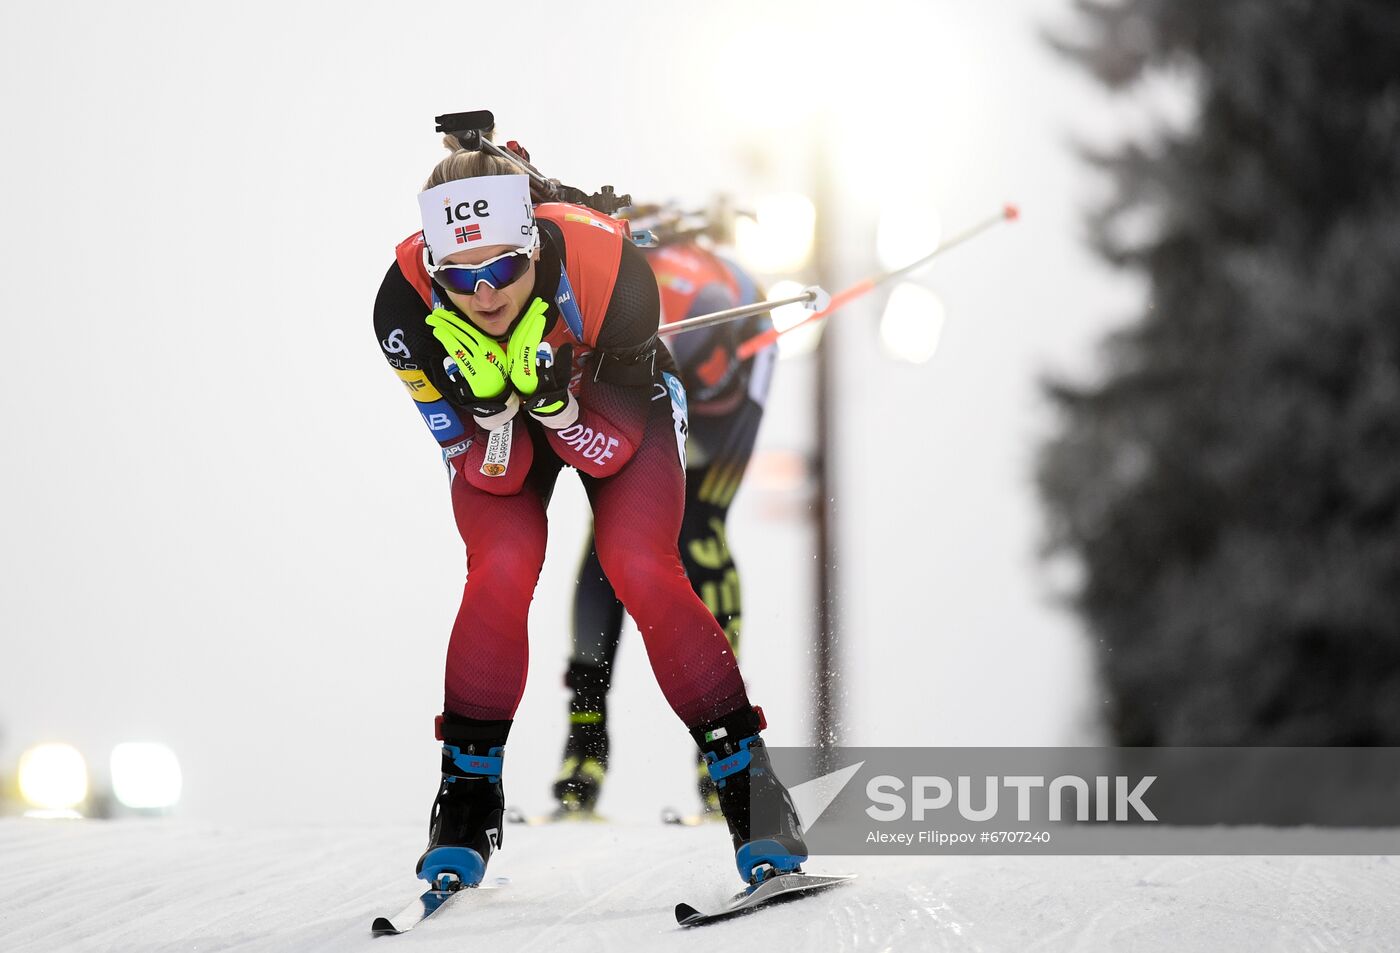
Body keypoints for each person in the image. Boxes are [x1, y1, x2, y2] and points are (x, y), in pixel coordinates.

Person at [372, 138, 806, 889]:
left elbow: (610, 452)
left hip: (610, 398)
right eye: (462, 278)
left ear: (536, 244)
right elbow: (489, 480)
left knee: (638, 560)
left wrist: (554, 403)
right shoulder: (402, 307)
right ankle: (467, 798)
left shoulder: (609, 270)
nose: (485, 293)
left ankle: (752, 791)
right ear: (433, 267)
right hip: (501, 424)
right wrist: (497, 416)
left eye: (505, 267)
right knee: (500, 566)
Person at [554, 219, 777, 819]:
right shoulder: (614, 308)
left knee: (699, 522)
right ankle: (585, 741)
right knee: (616, 533)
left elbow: (716, 392)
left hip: (734, 367)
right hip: (635, 369)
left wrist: (709, 389)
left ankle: (721, 752)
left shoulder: (740, 332)